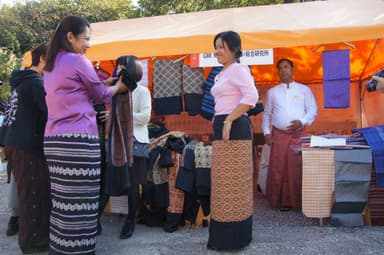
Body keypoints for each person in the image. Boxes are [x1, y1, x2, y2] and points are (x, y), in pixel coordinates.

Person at [43, 15, 129, 255]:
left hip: (54, 141)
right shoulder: (77, 60)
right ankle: (78, 250)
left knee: (62, 204)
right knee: (83, 204)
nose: (88, 44)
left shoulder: (52, 64)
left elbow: (84, 89)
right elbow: (101, 95)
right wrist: (119, 87)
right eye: (86, 39)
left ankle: (60, 249)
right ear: (70, 37)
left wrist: (108, 82)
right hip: (78, 142)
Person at [207, 31, 259, 251]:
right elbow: (223, 101)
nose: (217, 51)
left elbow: (252, 97)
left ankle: (236, 238)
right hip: (223, 126)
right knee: (220, 183)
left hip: (235, 128)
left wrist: (228, 120)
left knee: (235, 184)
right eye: (216, 46)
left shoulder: (239, 69)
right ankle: (221, 237)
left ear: (235, 50)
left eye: (222, 47)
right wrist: (218, 119)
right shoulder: (221, 73)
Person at [1, 43, 50, 254]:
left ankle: (31, 239)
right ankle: (33, 243)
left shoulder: (21, 82)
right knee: (33, 195)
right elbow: (50, 113)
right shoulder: (36, 83)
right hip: (27, 145)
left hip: (14, 142)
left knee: (28, 193)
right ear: (42, 60)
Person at [262, 58, 318, 211]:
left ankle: (300, 202)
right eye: (280, 68)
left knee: (297, 168)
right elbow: (266, 115)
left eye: (286, 67)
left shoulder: (304, 90)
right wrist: (266, 132)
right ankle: (281, 201)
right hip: (278, 136)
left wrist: (302, 121)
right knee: (279, 168)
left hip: (298, 134)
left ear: (293, 70)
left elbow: (312, 110)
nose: (283, 70)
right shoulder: (272, 92)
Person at [118, 57, 151, 239]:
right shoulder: (116, 91)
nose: (118, 72)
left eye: (121, 68)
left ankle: (131, 219)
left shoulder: (142, 91)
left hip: (136, 141)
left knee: (132, 184)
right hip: (119, 141)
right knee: (117, 179)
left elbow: (146, 117)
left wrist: (122, 114)